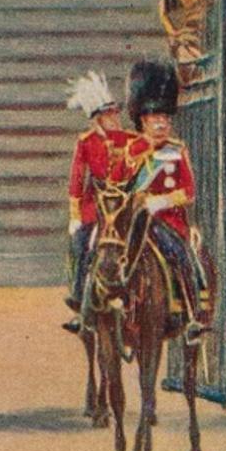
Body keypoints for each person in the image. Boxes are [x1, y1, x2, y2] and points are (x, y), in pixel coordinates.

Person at [126, 58, 210, 344]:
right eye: (154, 117)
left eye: (165, 117)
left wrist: (160, 202)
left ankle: (191, 314)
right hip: (137, 220)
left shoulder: (177, 151)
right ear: (142, 119)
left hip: (168, 221)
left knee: (180, 254)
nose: (162, 123)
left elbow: (188, 191)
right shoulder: (131, 151)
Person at [61, 71, 136, 334]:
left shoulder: (130, 140)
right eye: (109, 114)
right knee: (82, 245)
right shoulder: (86, 143)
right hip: (97, 209)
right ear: (98, 119)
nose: (115, 117)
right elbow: (77, 180)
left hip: (126, 206)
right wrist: (76, 215)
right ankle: (80, 300)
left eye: (115, 113)